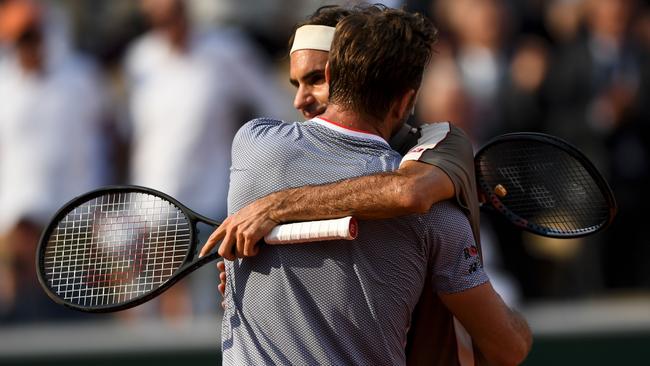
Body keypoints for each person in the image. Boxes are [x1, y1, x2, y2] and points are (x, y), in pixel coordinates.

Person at [206, 5, 531, 365]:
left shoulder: (254, 144)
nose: (300, 100)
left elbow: (409, 191)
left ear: (334, 72)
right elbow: (509, 347)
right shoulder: (440, 213)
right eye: (296, 83)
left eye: (314, 79)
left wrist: (275, 206)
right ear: (407, 100)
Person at [122, 0, 289, 318]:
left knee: (204, 317)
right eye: (156, 15)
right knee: (145, 321)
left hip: (209, 210)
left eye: (171, 12)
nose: (166, 21)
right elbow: (134, 138)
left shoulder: (228, 51)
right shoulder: (139, 59)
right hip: (150, 215)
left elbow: (274, 108)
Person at [0, 0, 107, 322]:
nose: (29, 45)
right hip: (17, 227)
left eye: (33, 35)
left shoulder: (81, 77)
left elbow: (110, 138)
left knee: (74, 312)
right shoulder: (4, 86)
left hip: (74, 223)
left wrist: (105, 206)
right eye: (22, 38)